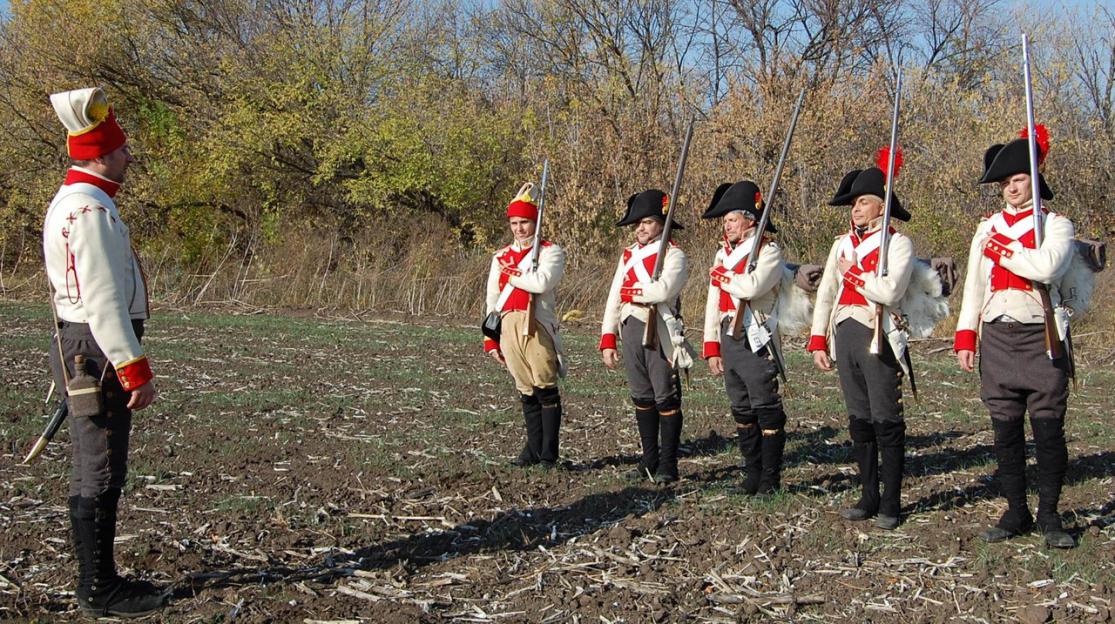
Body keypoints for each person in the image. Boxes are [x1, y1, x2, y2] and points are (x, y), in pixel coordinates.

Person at [43, 87, 167, 616]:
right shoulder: (90, 210)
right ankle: (98, 588)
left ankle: (100, 581)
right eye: (121, 150)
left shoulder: (79, 202)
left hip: (86, 347)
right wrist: (133, 367)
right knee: (100, 467)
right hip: (95, 351)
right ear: (100, 155)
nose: (128, 157)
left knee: (96, 463)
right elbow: (102, 300)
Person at [954, 126, 1076, 549]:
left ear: (1034, 179)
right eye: (1005, 182)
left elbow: (1047, 268)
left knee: (1048, 428)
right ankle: (1015, 511)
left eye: (1019, 179)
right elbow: (975, 285)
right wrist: (966, 335)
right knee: (1005, 429)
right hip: (997, 334)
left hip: (1041, 334)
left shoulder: (1056, 225)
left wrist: (1002, 250)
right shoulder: (986, 227)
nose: (1011, 188)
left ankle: (1050, 514)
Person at [807, 150, 914, 530]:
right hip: (846, 334)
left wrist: (855, 274)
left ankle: (891, 501)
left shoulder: (897, 244)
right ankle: (868, 494)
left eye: (864, 201)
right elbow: (827, 293)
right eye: (854, 203)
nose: (856, 209)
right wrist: (818, 338)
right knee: (859, 419)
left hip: (877, 334)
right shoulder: (842, 244)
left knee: (886, 419)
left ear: (882, 206)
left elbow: (890, 290)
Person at [700, 180, 787, 494]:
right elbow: (714, 302)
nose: (727, 225)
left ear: (750, 220)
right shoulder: (721, 254)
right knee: (741, 408)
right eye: (726, 220)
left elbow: (752, 287)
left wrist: (724, 276)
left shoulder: (768, 250)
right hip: (729, 335)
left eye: (732, 219)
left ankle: (769, 480)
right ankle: (752, 475)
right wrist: (712, 345)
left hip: (756, 337)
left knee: (765, 407)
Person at [600, 190, 692, 483]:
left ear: (661, 225)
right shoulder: (628, 254)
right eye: (638, 222)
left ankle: (668, 464)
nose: (641, 227)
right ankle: (649, 459)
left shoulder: (674, 255)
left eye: (648, 222)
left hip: (660, 330)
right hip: (630, 326)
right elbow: (615, 296)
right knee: (641, 395)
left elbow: (664, 291)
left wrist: (634, 292)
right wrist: (608, 336)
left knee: (665, 396)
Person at [484, 183, 567, 468]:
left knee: (545, 386)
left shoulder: (550, 252)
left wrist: (512, 275)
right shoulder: (500, 256)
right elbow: (493, 298)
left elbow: (542, 283)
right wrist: (490, 339)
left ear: (535, 222)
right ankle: (532, 449)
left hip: (537, 324)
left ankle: (548, 454)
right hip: (508, 324)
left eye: (525, 222)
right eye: (514, 223)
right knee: (526, 389)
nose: (519, 229)